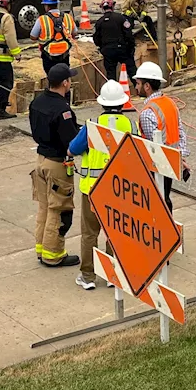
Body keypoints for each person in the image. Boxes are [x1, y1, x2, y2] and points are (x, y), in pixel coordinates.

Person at [67, 80, 137, 290]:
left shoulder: (91, 125)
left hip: (92, 190)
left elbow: (72, 149)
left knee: (90, 233)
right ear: (123, 103)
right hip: (119, 190)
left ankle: (88, 277)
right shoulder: (130, 125)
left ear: (102, 103)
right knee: (115, 232)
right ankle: (112, 274)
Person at [27, 62, 82, 268]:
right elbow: (71, 142)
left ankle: (42, 248)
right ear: (65, 83)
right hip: (57, 164)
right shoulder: (62, 110)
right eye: (70, 80)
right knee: (59, 210)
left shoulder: (37, 102)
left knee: (44, 207)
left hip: (41, 160)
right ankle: (53, 254)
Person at [134, 61, 192, 211]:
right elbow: (180, 132)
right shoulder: (170, 103)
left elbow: (154, 147)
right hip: (170, 162)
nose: (135, 87)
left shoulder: (147, 113)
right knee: (165, 198)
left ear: (147, 86)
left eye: (138, 83)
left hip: (157, 165)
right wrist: (180, 157)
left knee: (157, 203)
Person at [92, 0, 135, 84]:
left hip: (108, 51)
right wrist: (131, 48)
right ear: (113, 7)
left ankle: (112, 94)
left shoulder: (99, 22)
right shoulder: (121, 18)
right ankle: (141, 91)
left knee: (111, 75)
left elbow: (96, 38)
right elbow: (128, 34)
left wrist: (102, 48)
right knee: (132, 71)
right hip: (122, 50)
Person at [30, 0, 76, 74]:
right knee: (63, 77)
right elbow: (74, 33)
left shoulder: (42, 19)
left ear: (46, 6)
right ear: (57, 4)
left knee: (52, 78)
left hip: (48, 55)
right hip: (64, 55)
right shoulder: (68, 17)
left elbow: (33, 36)